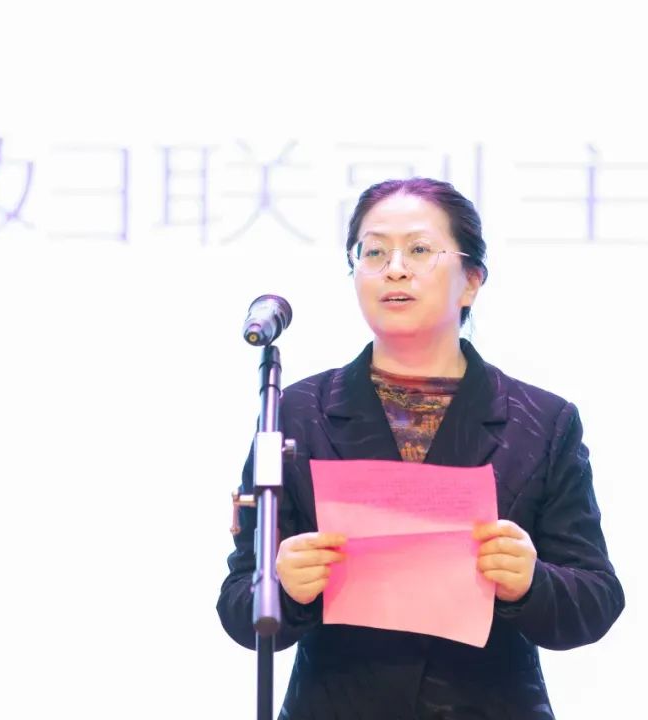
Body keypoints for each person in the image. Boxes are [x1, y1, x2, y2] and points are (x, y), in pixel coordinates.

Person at [217, 177, 624, 719]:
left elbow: (596, 598)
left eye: (419, 250)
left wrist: (532, 582)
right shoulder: (297, 411)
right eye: (373, 252)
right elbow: (239, 602)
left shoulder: (542, 421)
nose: (395, 269)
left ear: (471, 281)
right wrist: (283, 586)